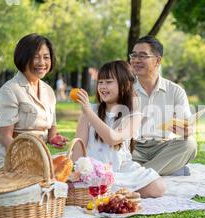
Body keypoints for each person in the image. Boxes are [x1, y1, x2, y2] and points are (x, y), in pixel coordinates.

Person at [73, 60, 165, 198]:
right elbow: (78, 148)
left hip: (120, 168)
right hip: (92, 169)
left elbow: (113, 139)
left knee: (158, 187)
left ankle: (111, 190)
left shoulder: (133, 115)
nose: (103, 87)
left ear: (125, 85)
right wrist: (79, 170)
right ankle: (108, 189)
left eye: (108, 82)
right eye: (100, 82)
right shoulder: (90, 111)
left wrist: (89, 112)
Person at [0, 33, 67, 176]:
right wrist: (28, 162)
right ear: (23, 57)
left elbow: (51, 128)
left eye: (46, 57)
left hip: (38, 160)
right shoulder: (10, 90)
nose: (42, 62)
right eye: (36, 57)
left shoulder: (48, 91)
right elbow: (5, 138)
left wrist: (54, 138)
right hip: (9, 162)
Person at [129, 35, 197, 175]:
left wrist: (186, 130)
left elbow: (187, 125)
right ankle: (162, 170)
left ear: (157, 61)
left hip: (162, 147)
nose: (136, 60)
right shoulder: (124, 89)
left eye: (142, 56)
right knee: (112, 150)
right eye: (133, 55)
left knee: (189, 144)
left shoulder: (175, 91)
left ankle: (140, 174)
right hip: (132, 148)